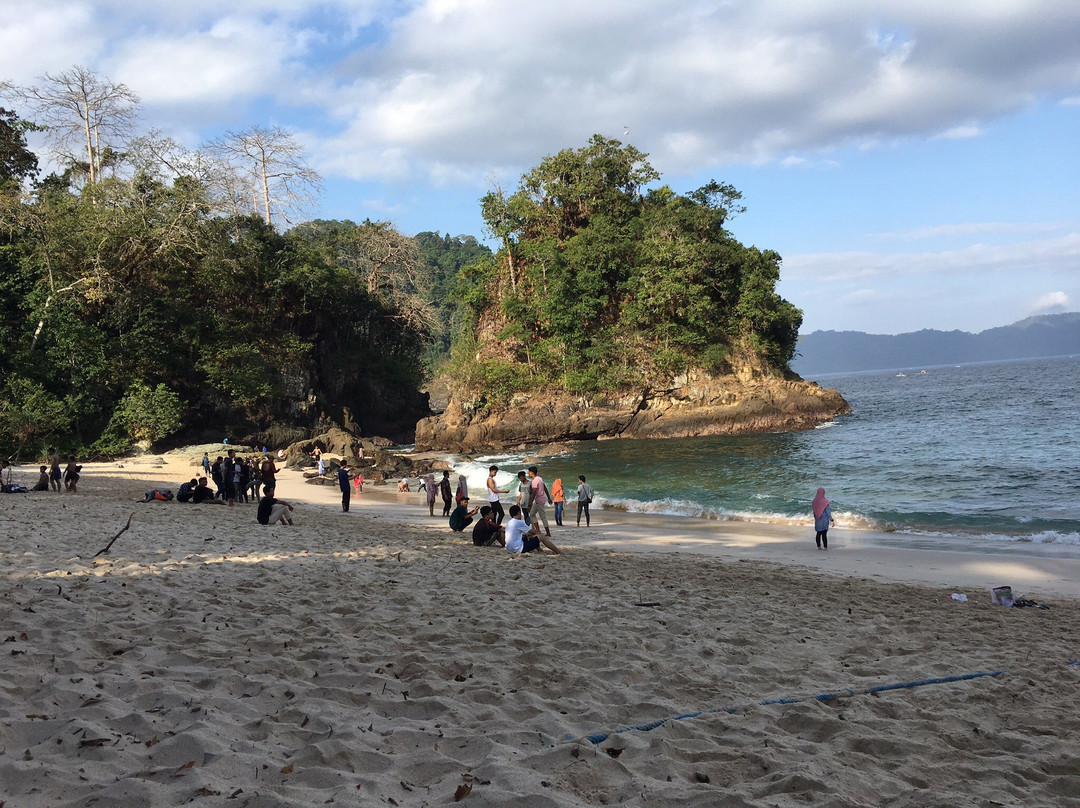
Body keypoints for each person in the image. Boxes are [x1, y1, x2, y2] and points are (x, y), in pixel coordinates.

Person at [527, 466, 553, 537]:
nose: (528, 473)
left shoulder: (535, 481)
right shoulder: (540, 478)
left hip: (539, 501)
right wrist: (549, 497)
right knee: (532, 514)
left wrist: (530, 504)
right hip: (541, 500)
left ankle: (548, 532)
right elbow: (545, 488)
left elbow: (534, 492)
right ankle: (538, 530)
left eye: (529, 472)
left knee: (542, 517)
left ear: (532, 473)